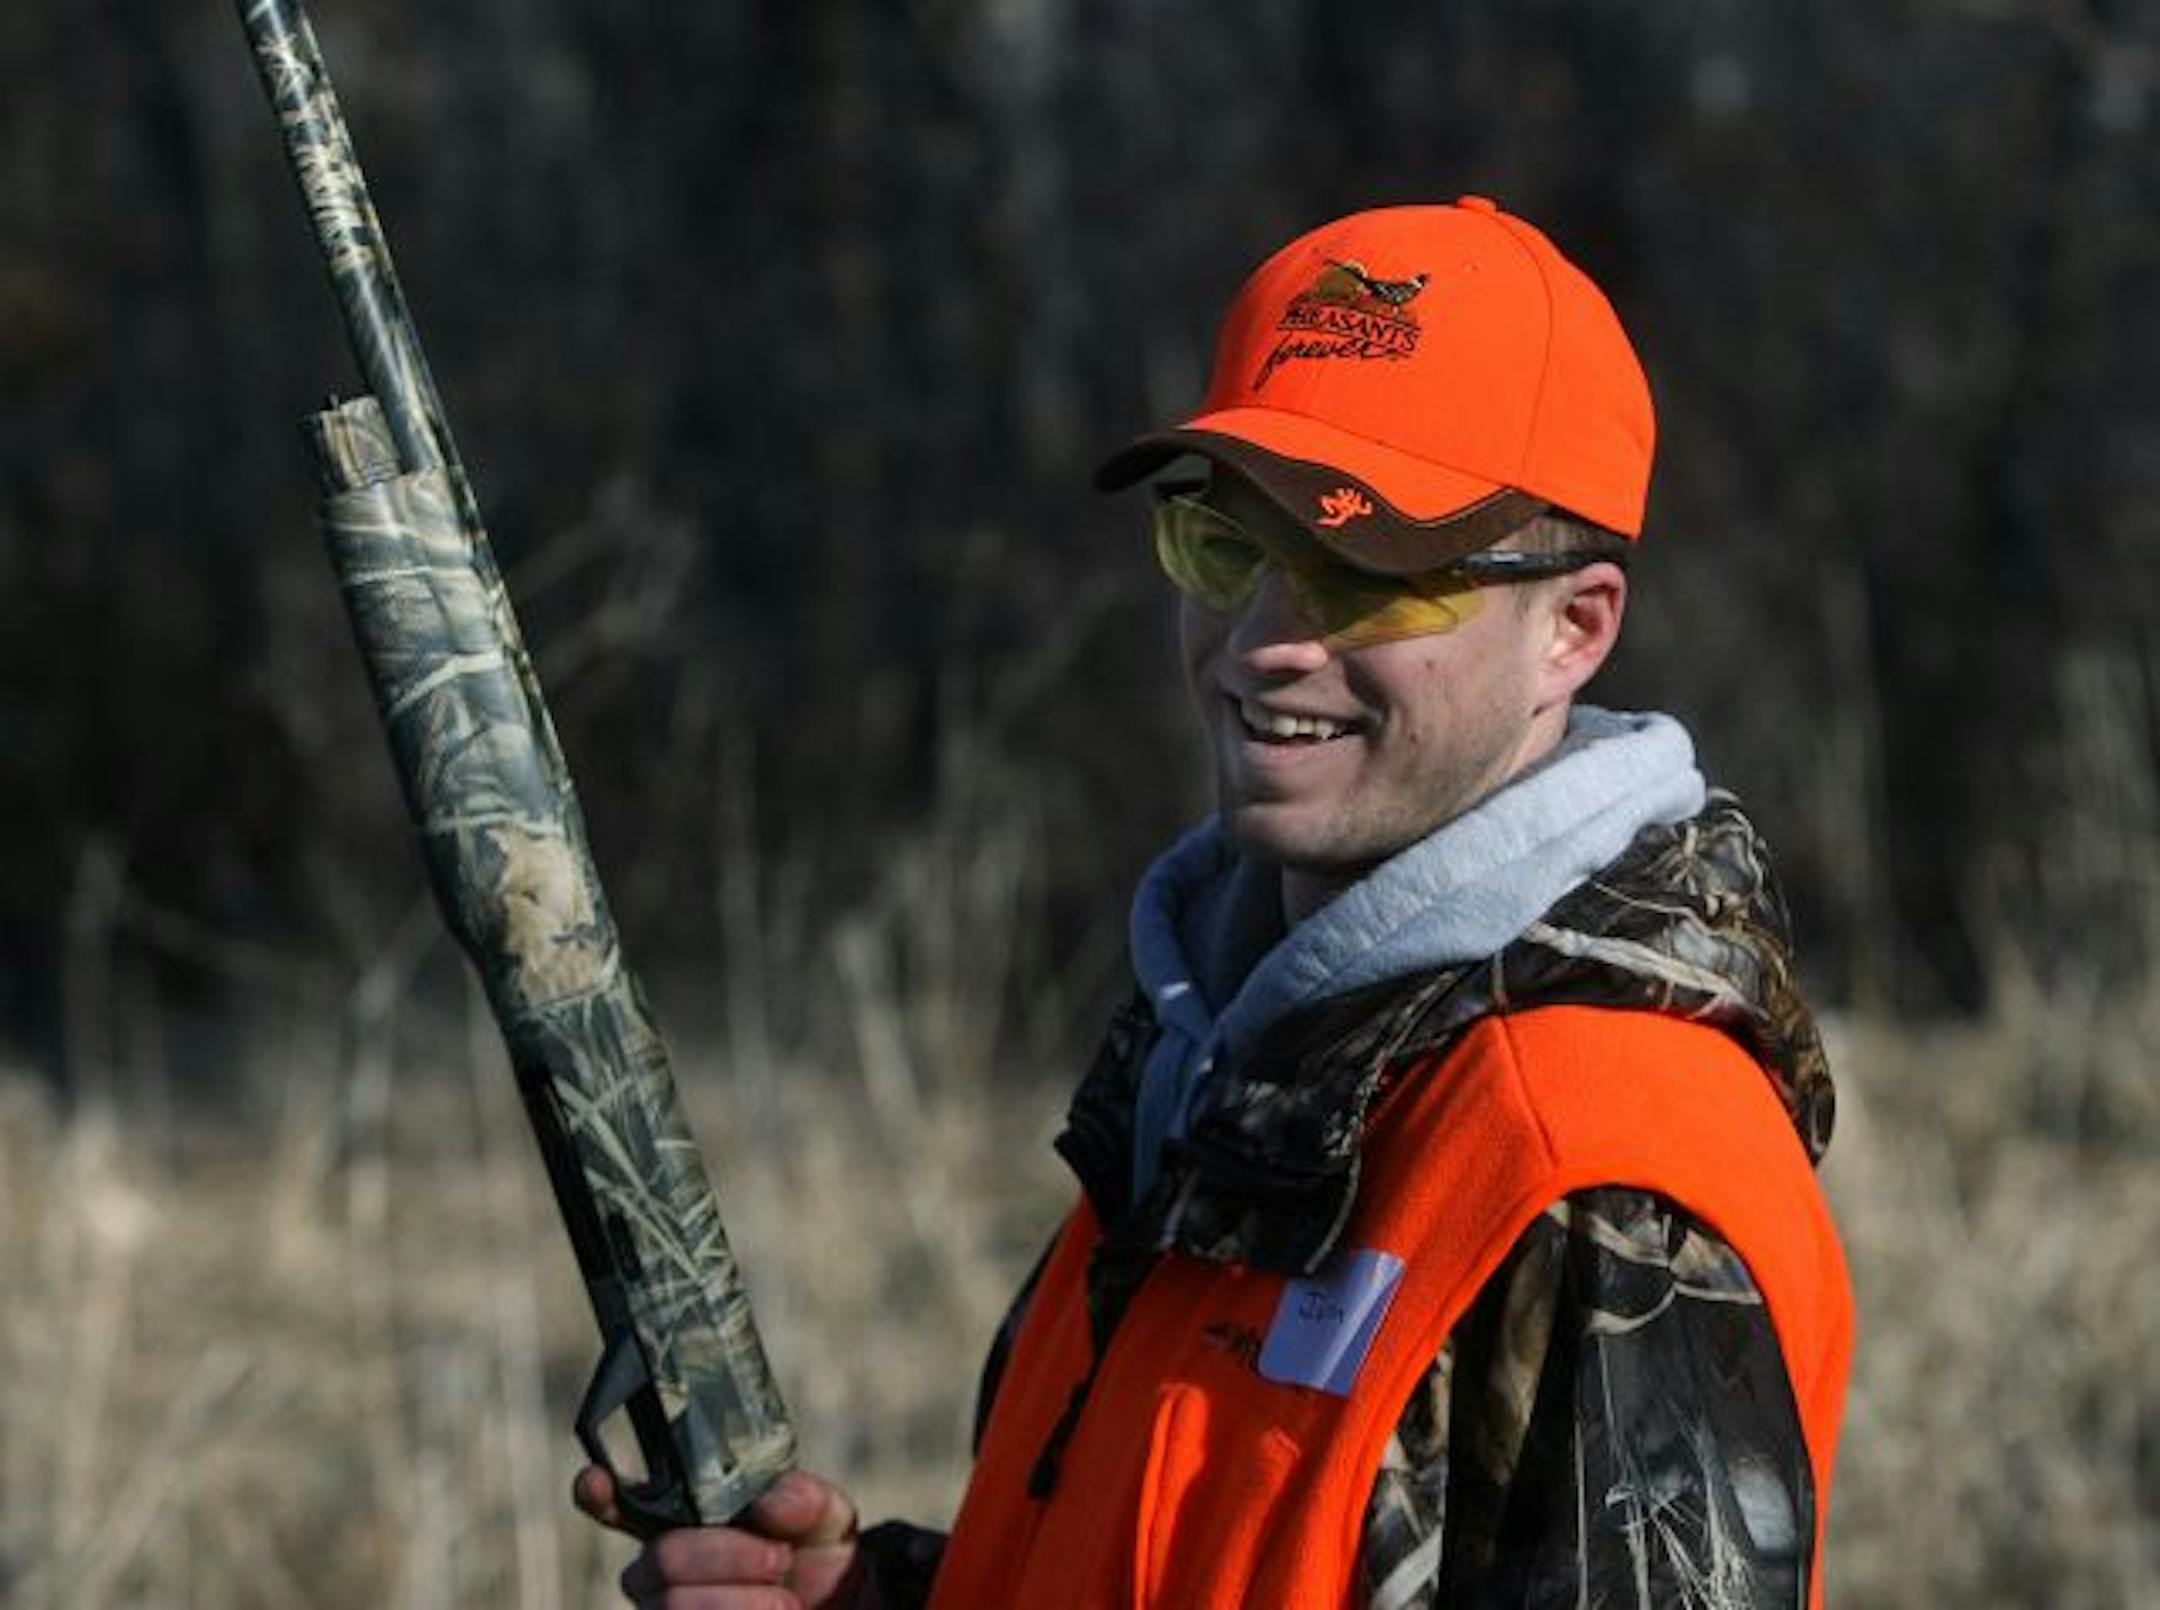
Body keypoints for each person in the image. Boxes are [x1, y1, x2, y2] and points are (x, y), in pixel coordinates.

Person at [576, 198, 1854, 1609]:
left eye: (1366, 574)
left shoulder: (1592, 1172)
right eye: (1225, 546)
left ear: (1575, 624)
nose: (1262, 644)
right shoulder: (1237, 1056)